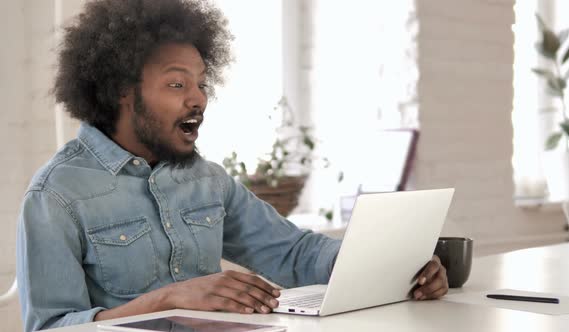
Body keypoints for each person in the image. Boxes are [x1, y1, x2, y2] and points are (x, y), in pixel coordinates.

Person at [16, 0, 449, 330]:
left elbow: (294, 253)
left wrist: (395, 268)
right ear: (121, 91)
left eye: (201, 83)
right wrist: (168, 301)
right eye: (175, 83)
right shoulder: (57, 196)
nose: (198, 98)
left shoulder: (205, 180)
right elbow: (52, 326)